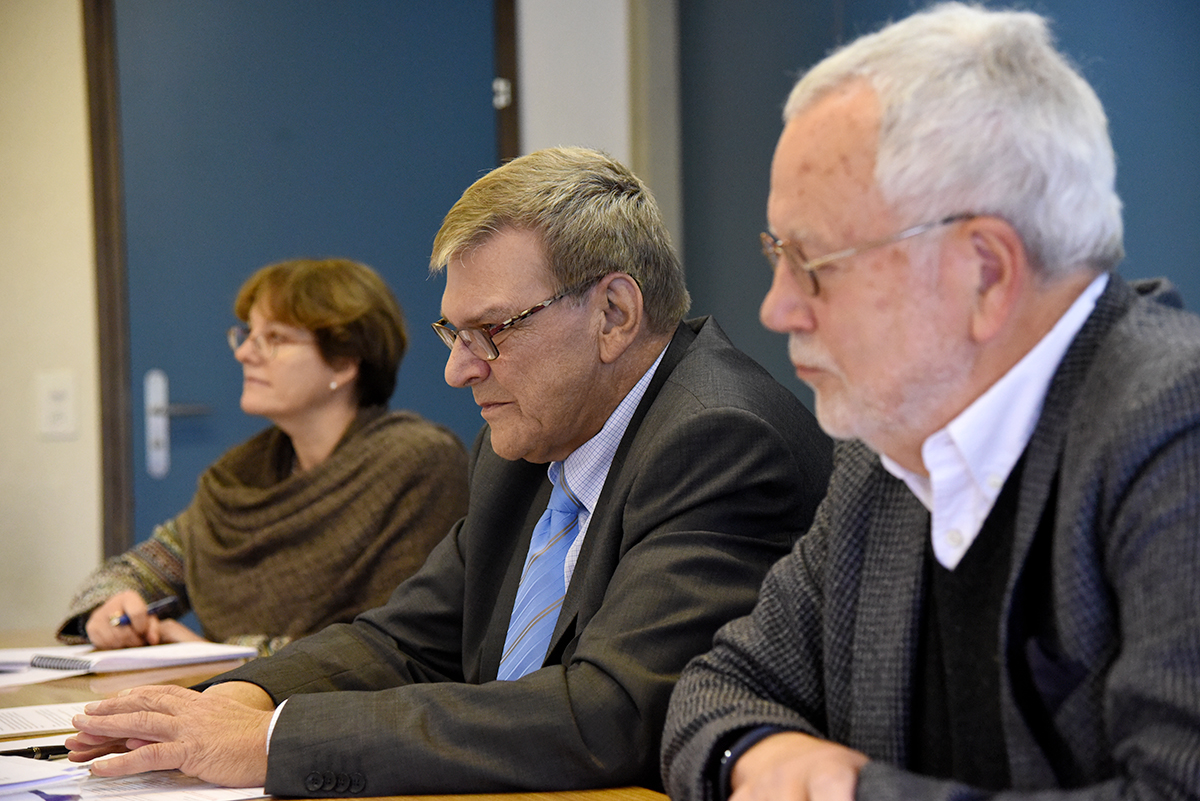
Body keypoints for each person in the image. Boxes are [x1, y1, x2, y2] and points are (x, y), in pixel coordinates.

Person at [66, 147, 834, 795]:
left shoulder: (719, 439)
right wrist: (238, 696)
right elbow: (404, 641)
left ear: (614, 314)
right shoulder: (526, 444)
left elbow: (610, 713)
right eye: (452, 332)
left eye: (491, 330)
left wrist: (274, 737)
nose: (459, 371)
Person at [660, 4, 1200, 801]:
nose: (776, 309)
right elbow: (721, 683)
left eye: (814, 262)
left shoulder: (1173, 427)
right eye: (777, 254)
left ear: (984, 271)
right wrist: (757, 753)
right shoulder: (887, 453)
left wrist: (852, 792)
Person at [58, 257, 469, 656]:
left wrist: (224, 655)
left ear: (343, 362)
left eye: (274, 338)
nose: (244, 354)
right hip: (222, 701)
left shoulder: (419, 463)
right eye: (247, 334)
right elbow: (143, 569)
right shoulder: (239, 478)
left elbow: (399, 644)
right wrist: (109, 608)